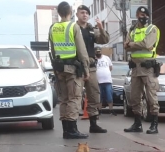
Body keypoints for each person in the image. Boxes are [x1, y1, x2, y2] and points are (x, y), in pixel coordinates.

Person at [48, 1, 92, 139]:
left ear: (59, 13)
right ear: (70, 12)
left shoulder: (53, 27)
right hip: (73, 68)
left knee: (64, 99)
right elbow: (81, 50)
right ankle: (72, 130)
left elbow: (53, 49)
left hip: (59, 68)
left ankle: (65, 129)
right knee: (74, 98)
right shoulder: (74, 26)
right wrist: (86, 69)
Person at [124, 6, 161, 134]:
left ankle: (154, 124)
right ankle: (137, 123)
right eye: (140, 15)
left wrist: (132, 44)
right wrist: (132, 45)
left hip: (148, 68)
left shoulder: (152, 29)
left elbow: (147, 44)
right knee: (135, 97)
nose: (142, 17)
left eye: (145, 15)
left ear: (148, 17)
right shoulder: (132, 30)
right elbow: (125, 46)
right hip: (135, 69)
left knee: (151, 97)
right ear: (136, 15)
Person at [76, 5, 109, 133]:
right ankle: (72, 127)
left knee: (94, 95)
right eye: (82, 12)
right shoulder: (74, 28)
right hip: (77, 68)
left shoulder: (91, 29)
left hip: (91, 67)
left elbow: (104, 39)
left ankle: (93, 124)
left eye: (87, 13)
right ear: (77, 15)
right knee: (76, 96)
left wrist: (100, 27)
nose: (85, 15)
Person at [94, 47, 115, 116]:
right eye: (97, 52)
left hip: (107, 81)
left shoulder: (106, 58)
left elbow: (110, 67)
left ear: (101, 52)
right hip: (98, 81)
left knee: (109, 96)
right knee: (99, 97)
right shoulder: (93, 59)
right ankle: (99, 111)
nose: (98, 53)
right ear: (95, 52)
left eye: (99, 51)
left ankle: (111, 110)